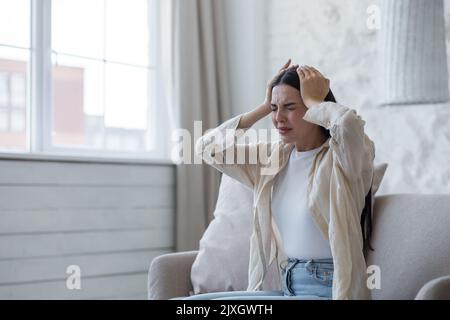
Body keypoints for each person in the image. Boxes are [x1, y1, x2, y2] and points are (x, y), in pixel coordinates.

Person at [189, 59, 375, 300]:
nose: (279, 118)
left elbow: (348, 125)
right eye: (275, 109)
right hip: (289, 287)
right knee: (190, 305)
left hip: (329, 290)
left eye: (290, 107)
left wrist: (315, 101)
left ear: (315, 108)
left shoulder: (345, 159)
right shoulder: (274, 158)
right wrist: (262, 107)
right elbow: (206, 148)